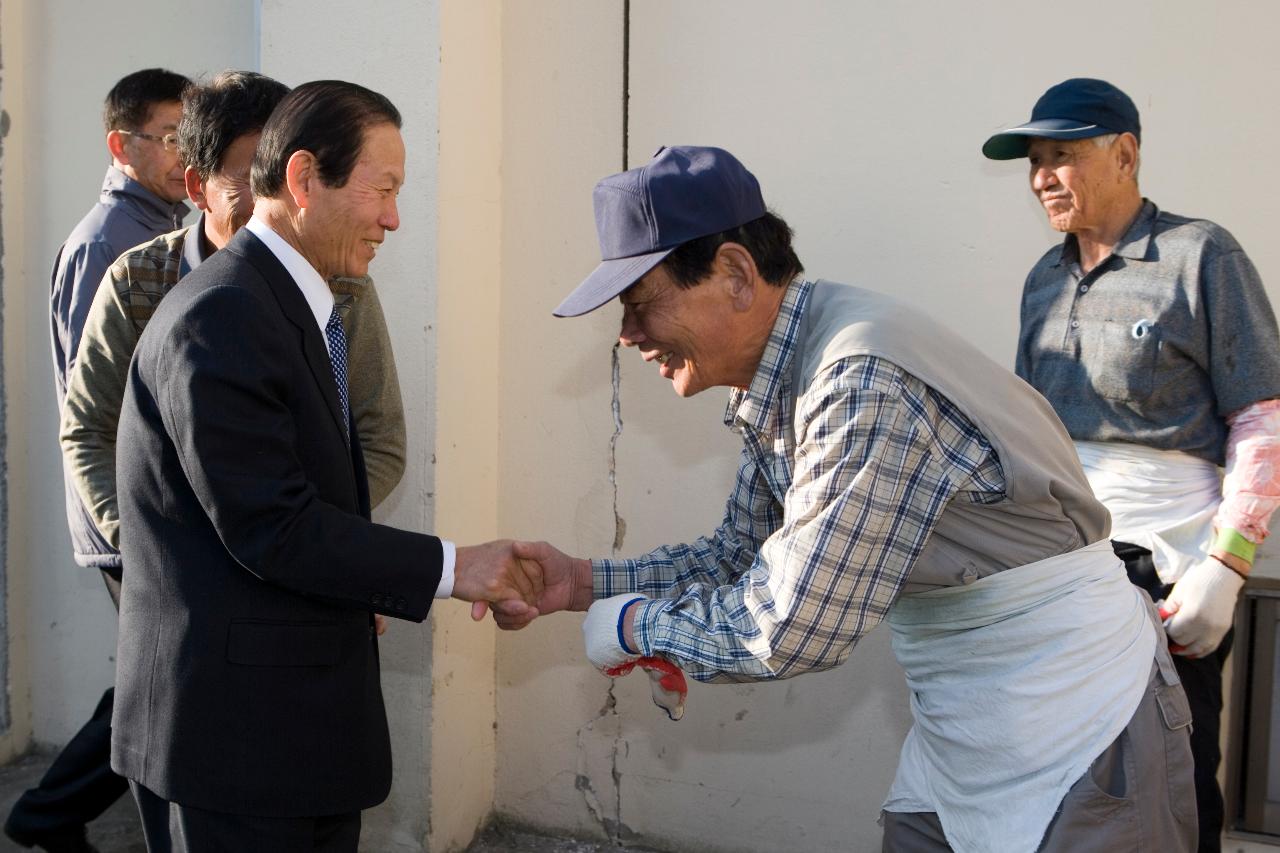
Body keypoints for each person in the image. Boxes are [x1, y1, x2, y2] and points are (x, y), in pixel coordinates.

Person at [496, 145, 1197, 852]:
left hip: (1080, 721)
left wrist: (639, 626)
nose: (628, 336)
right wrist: (585, 584)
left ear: (736, 272)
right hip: (969, 719)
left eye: (641, 303)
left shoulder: (856, 377)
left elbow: (794, 626)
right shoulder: (785, 368)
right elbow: (743, 553)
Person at [111, 80, 539, 852]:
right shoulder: (224, 314)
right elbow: (273, 525)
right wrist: (456, 566)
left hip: (289, 735)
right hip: (234, 747)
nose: (393, 218)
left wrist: (360, 578)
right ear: (305, 179)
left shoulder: (288, 301)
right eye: (383, 189)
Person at [982, 77, 1280, 852]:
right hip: (1060, 569)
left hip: (1168, 576)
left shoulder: (1200, 254)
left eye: (1063, 156)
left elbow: (1263, 418)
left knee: (1172, 787)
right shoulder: (1043, 280)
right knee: (1064, 784)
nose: (1043, 176)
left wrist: (1228, 564)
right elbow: (1031, 432)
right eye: (1035, 161)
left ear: (1125, 154)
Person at [62, 70, 406, 567]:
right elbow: (90, 429)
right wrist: (145, 540)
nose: (273, 197)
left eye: (282, 174)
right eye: (251, 177)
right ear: (197, 186)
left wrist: (303, 535)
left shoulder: (343, 289)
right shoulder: (136, 281)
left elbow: (380, 441)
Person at [6, 67, 191, 853]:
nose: (187, 153)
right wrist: (135, 514)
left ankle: (48, 813)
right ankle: (48, 813)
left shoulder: (162, 223)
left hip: (151, 502)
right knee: (161, 679)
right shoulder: (108, 243)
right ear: (123, 144)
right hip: (127, 505)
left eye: (192, 134)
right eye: (171, 136)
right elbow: (103, 406)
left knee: (154, 675)